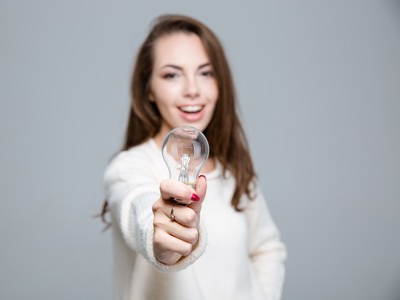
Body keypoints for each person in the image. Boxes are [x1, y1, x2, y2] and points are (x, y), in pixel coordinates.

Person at [101, 14, 287, 300]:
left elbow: (266, 248)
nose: (192, 89)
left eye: (206, 72)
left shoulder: (234, 172)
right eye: (172, 74)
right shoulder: (129, 168)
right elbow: (137, 207)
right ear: (148, 89)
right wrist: (161, 239)